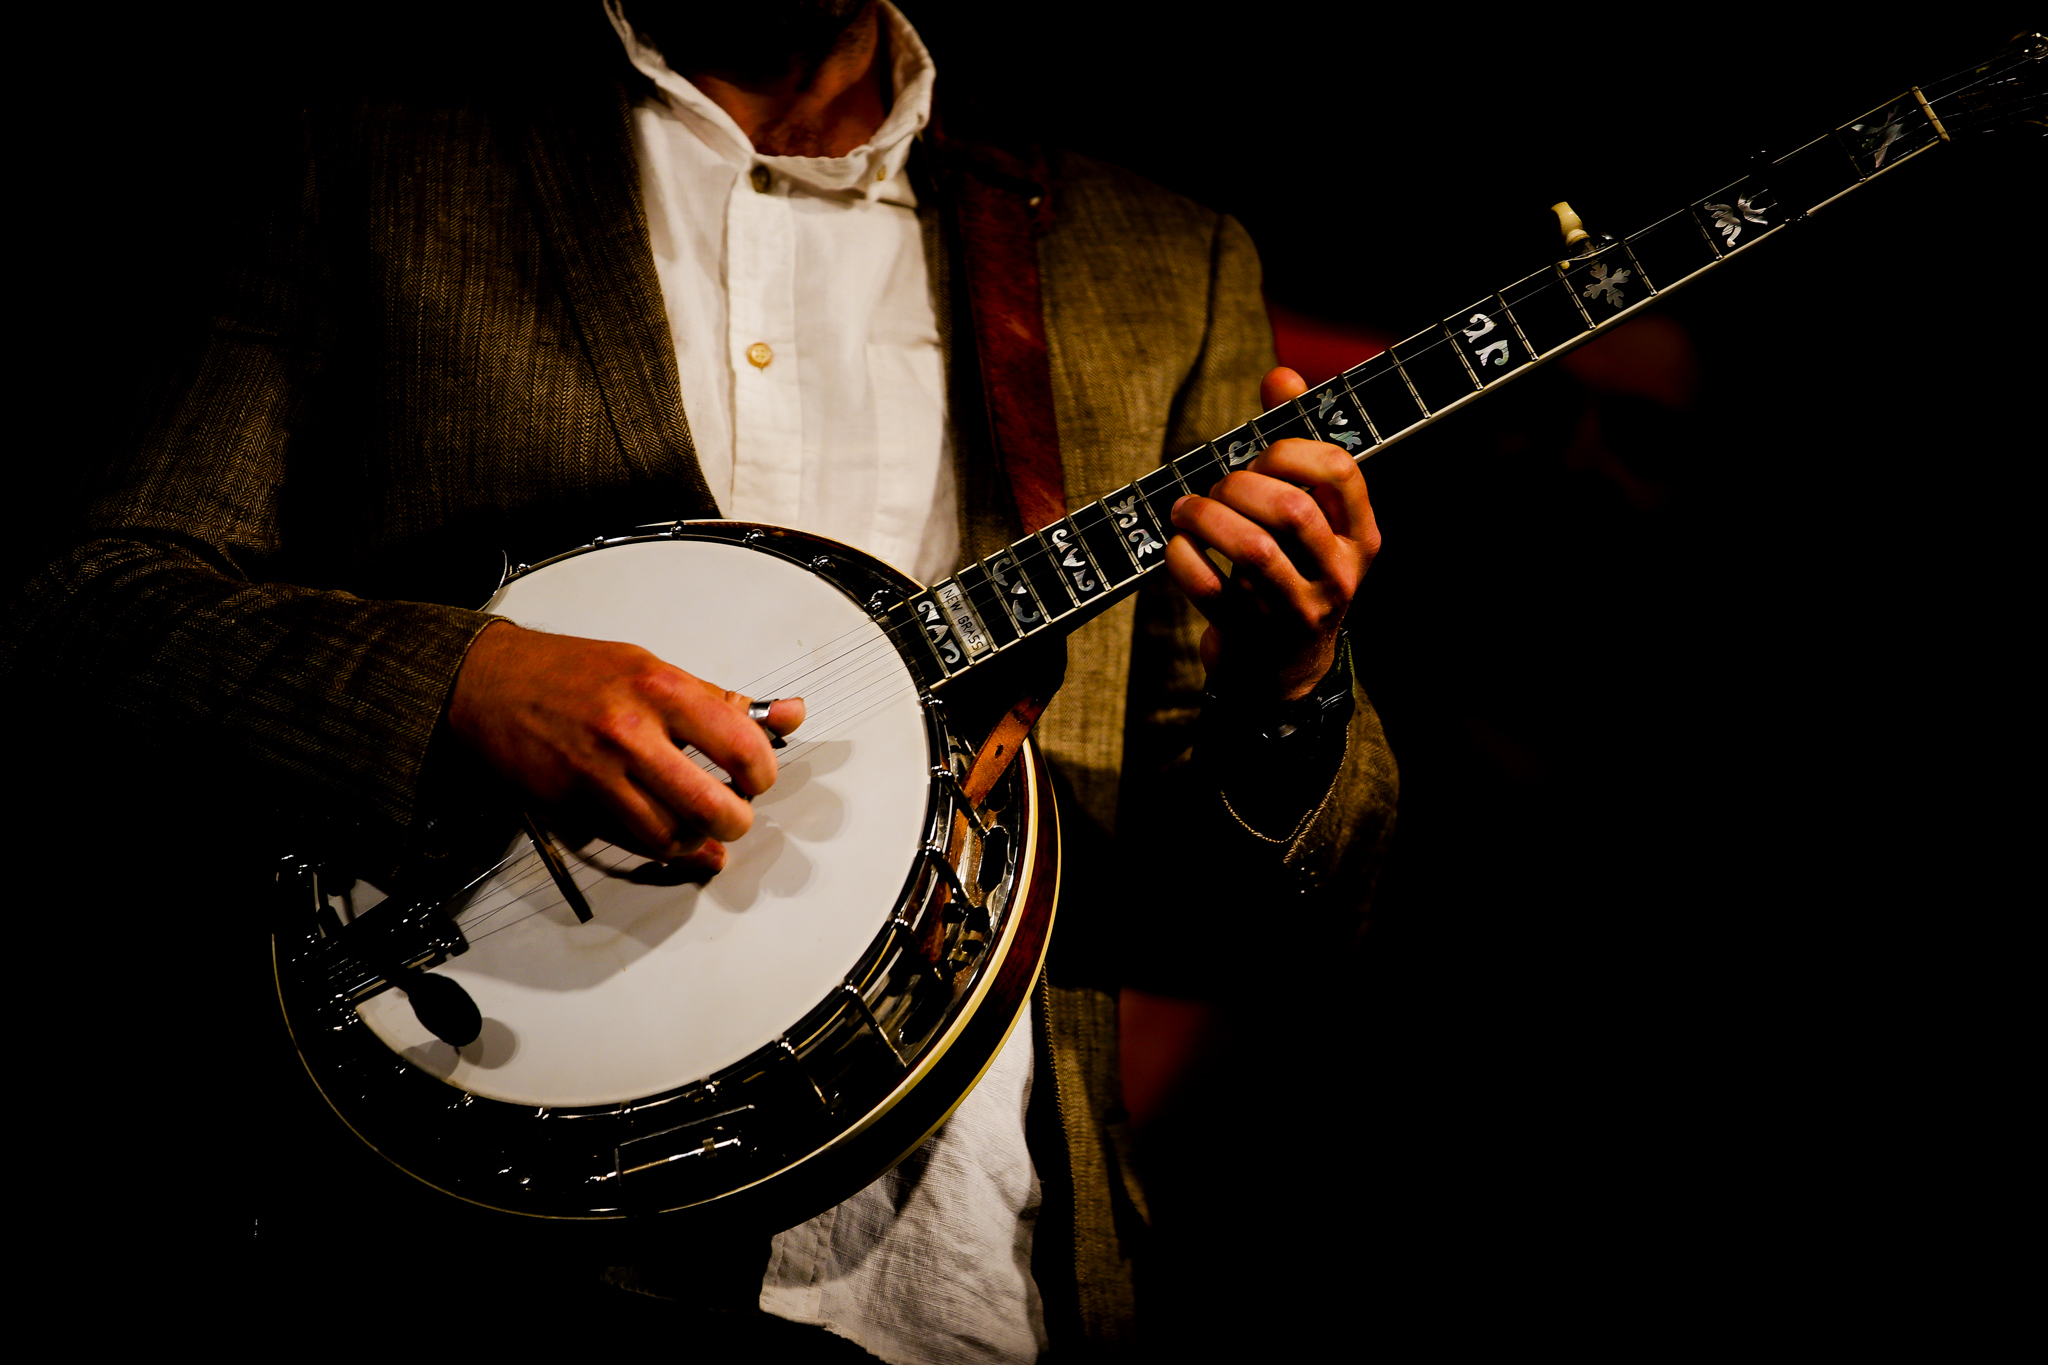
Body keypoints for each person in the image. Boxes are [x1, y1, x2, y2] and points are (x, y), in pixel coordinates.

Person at [5, 1, 1396, 1356]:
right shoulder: (378, 148)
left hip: (960, 1294)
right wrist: (465, 684)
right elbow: (91, 606)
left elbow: (1254, 927)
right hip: (450, 1243)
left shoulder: (1160, 259)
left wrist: (1286, 684)